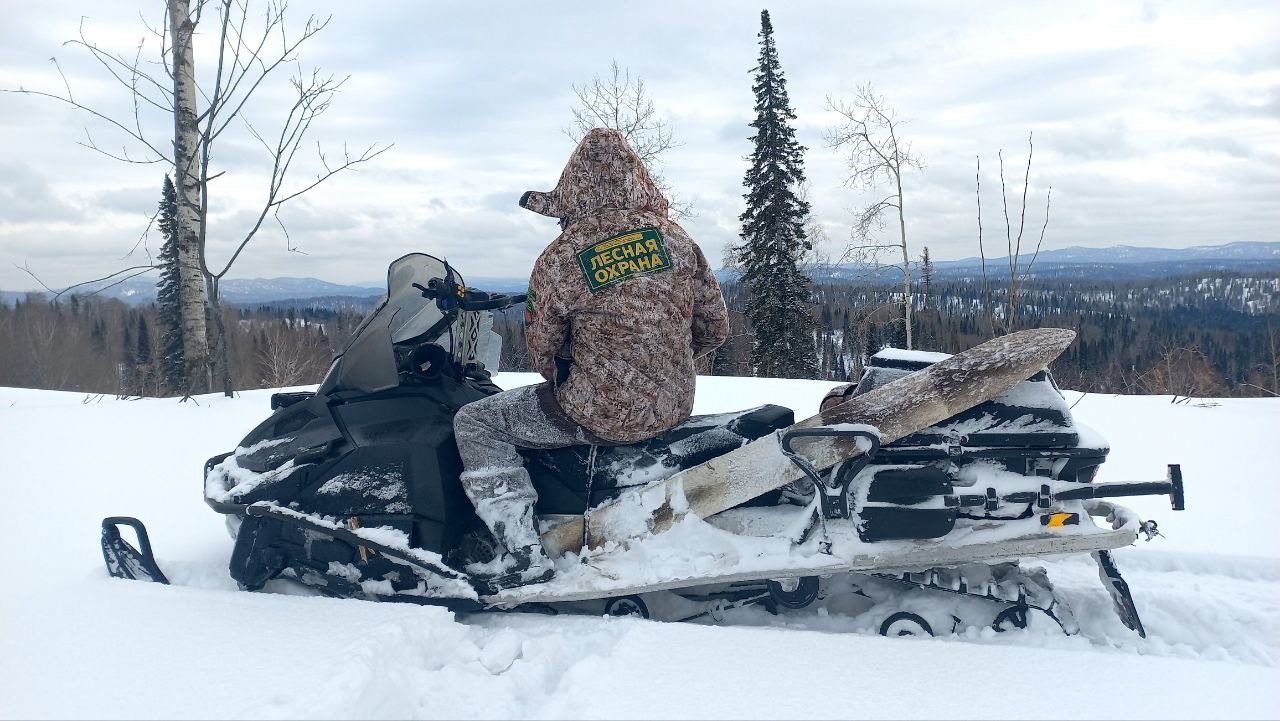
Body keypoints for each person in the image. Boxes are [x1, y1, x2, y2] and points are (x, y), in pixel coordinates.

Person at [453, 128, 729, 589]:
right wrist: (666, 363)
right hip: (676, 405)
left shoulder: (562, 256)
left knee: (475, 422)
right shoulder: (678, 241)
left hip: (597, 412)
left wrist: (573, 376)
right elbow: (716, 327)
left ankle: (521, 552)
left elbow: (542, 347)